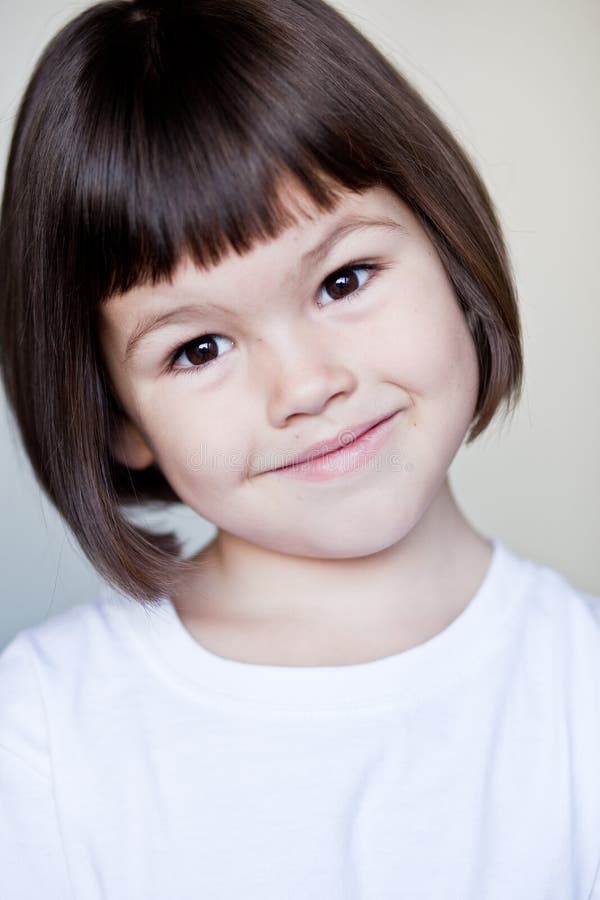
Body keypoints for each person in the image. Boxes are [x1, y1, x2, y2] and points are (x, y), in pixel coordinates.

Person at [0, 0, 598, 897]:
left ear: (447, 244)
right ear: (114, 415)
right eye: (197, 348)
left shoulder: (578, 692)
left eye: (343, 279)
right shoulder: (43, 735)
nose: (306, 386)